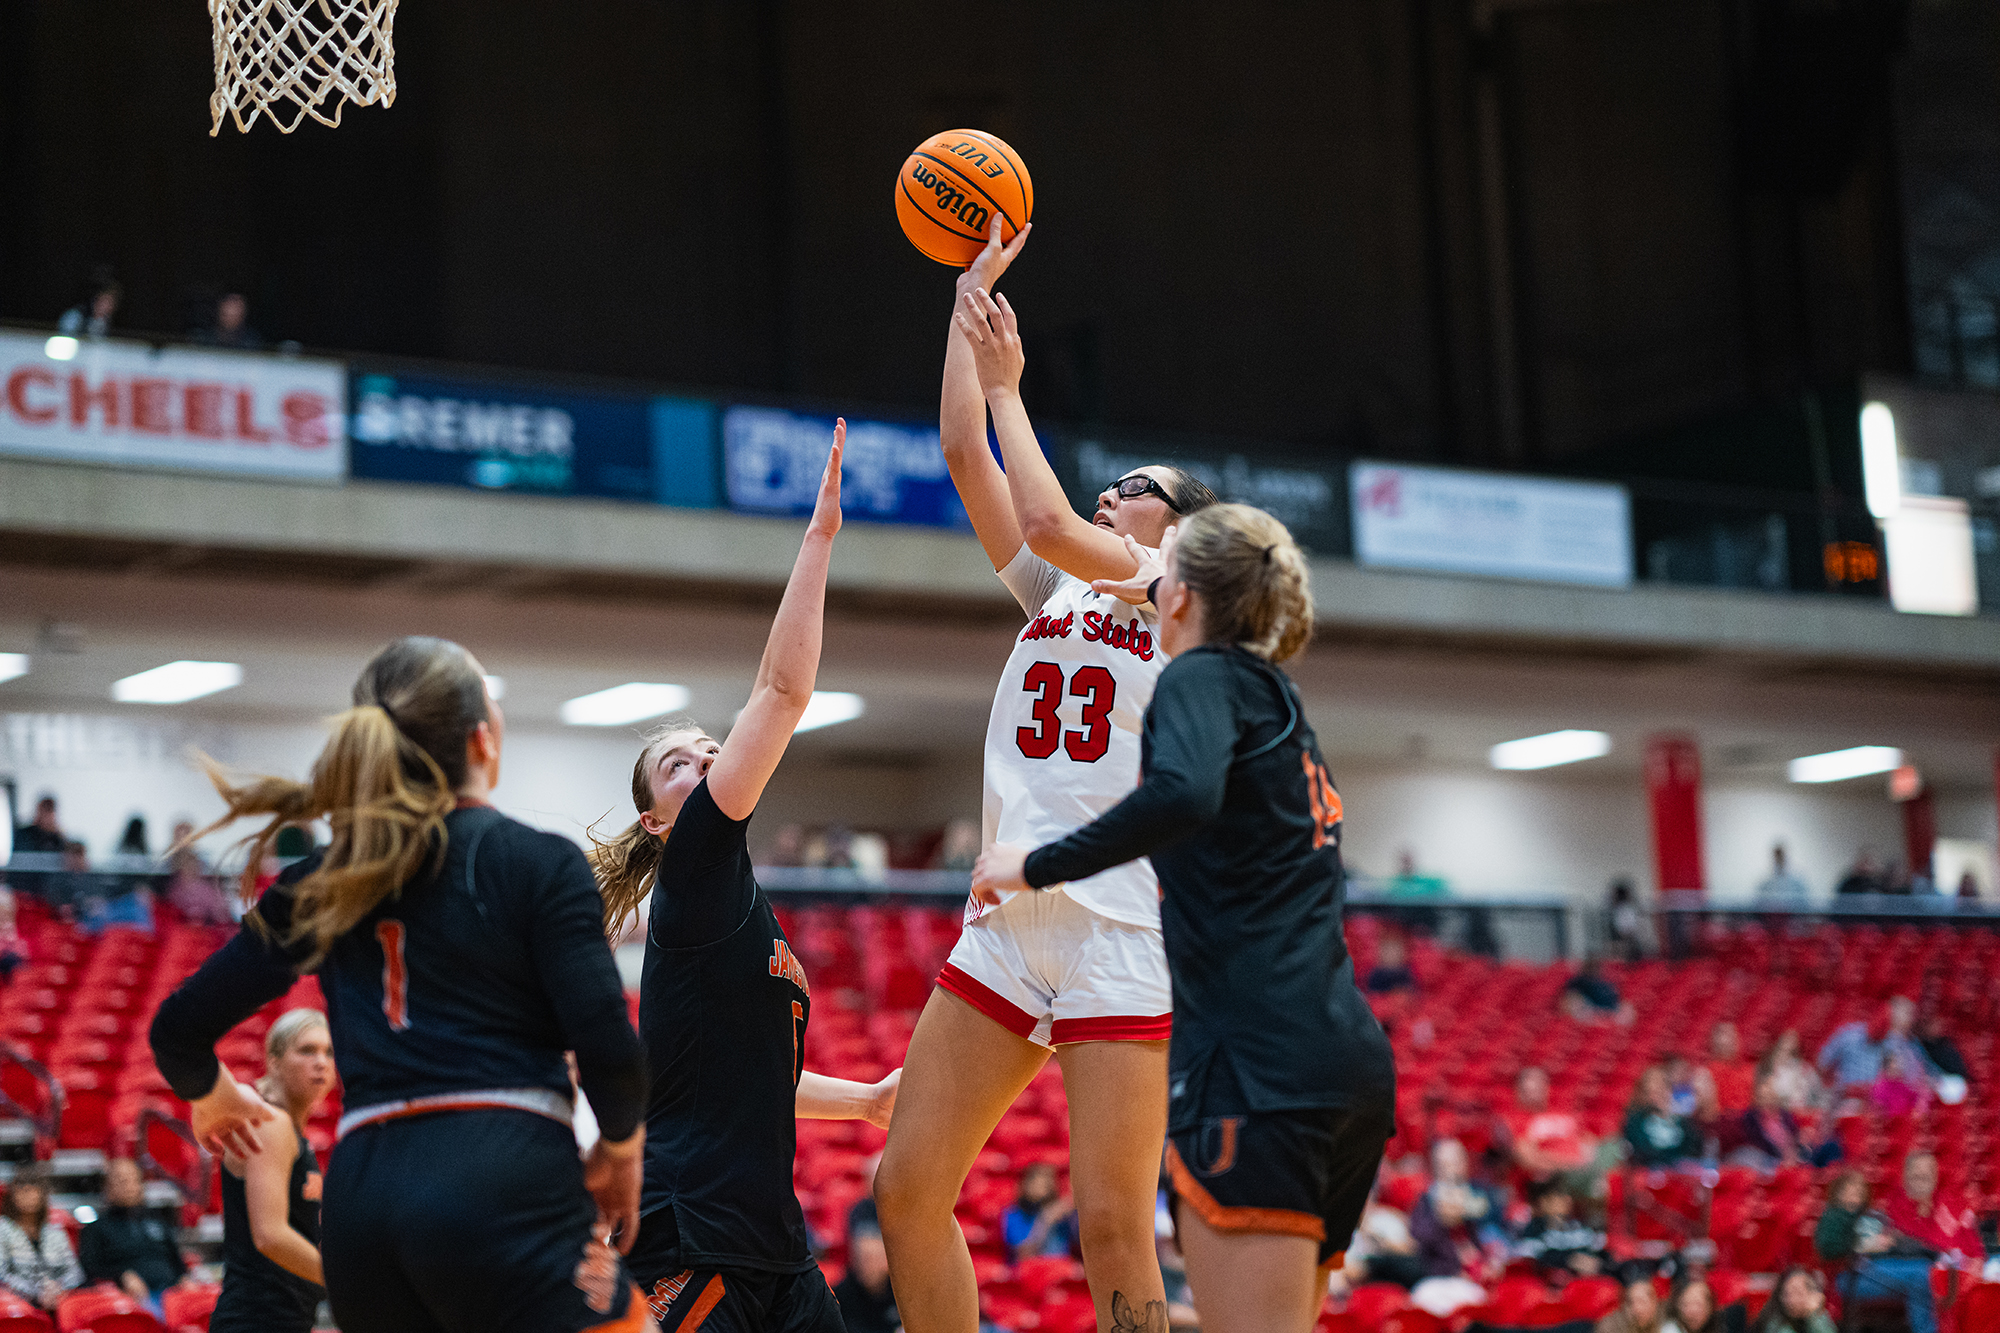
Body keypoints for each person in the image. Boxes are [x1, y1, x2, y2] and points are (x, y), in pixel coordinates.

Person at [875, 216, 1221, 1333]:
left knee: (1113, 1228)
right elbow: (963, 454)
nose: (1113, 490)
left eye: (1135, 483)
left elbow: (1043, 511)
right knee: (907, 1188)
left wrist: (1013, 385)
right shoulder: (1058, 594)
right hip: (1009, 915)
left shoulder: (1174, 590)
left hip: (1120, 926)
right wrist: (966, 304)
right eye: (1110, 483)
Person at [970, 502, 1398, 1333]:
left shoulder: (1199, 677)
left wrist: (1035, 861)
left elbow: (1182, 793)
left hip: (1255, 1070)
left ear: (1178, 593)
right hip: (1346, 1064)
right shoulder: (1276, 697)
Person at [148, 635, 650, 1333]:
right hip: (499, 1172)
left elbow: (177, 1030)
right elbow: (610, 1047)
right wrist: (621, 1151)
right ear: (483, 739)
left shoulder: (327, 875)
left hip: (362, 1205)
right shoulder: (537, 861)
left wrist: (215, 1098)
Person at [589, 422, 901, 1332]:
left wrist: (868, 1101)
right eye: (678, 763)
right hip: (691, 1237)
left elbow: (749, 1078)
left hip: (772, 1241)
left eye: (705, 749)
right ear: (658, 819)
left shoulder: (733, 905)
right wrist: (820, 539)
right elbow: (780, 691)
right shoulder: (692, 867)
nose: (704, 757)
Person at [211, 1008, 335, 1333]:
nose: (321, 1061)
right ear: (275, 1061)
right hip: (255, 1321)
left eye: (329, 1052)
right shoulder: (272, 1123)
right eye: (307, 1050)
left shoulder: (290, 1129)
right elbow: (270, 1235)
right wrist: (343, 1279)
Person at [1814, 1169, 1937, 1333]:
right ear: (1838, 1193)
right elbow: (1828, 1250)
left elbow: (1879, 1247)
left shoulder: (1869, 1216)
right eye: (1849, 1189)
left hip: (1871, 1268)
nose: (1855, 1193)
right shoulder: (1834, 1216)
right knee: (1919, 1275)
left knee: (1924, 1267)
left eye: (1859, 1190)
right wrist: (1862, 1244)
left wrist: (1889, 1243)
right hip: (1849, 1276)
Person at [78, 1157, 185, 1314]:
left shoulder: (157, 1221)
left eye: (132, 1180)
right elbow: (90, 1270)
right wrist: (121, 1276)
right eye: (121, 1180)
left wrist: (185, 1279)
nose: (127, 1186)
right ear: (107, 1188)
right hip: (125, 1300)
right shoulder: (96, 1229)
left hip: (171, 1295)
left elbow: (178, 1263)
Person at [1816, 996, 1940, 1112]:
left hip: (1878, 1100)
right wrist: (1835, 1085)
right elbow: (1823, 1062)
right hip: (1847, 1097)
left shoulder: (1892, 1042)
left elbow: (1905, 1076)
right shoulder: (1848, 1035)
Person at [1498, 1066, 1602, 1185]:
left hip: (1579, 1176)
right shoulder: (1515, 1119)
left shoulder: (1563, 1113)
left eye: (1538, 1087)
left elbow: (1587, 1140)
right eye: (1528, 1090)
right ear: (1518, 1091)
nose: (1534, 1094)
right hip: (1545, 1183)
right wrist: (1567, 1167)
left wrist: (1585, 1162)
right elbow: (1525, 1158)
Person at [0, 1164, 83, 1313]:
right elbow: (2, 1275)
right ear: (12, 1196)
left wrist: (59, 1289)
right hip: (17, 1305)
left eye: (33, 1190)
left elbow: (75, 1272)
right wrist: (36, 1293)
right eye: (22, 1191)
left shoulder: (55, 1230)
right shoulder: (3, 1228)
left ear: (42, 1194)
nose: (28, 1195)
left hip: (58, 1301)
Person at [1880, 1150, 1982, 1267]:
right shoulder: (1895, 1205)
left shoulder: (1954, 1208)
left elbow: (1976, 1254)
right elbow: (1891, 1241)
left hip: (1952, 1271)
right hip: (1911, 1268)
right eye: (1915, 1177)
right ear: (1905, 1178)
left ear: (1935, 1178)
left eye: (1925, 1177)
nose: (1920, 1183)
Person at [1734, 1073, 1841, 1170]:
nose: (1766, 1098)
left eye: (1769, 1093)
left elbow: (1794, 1132)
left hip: (1795, 1153)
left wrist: (1799, 1140)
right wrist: (1783, 1153)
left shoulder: (1784, 1114)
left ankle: (1831, 1176)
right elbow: (1758, 1141)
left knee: (1831, 1145)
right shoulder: (1751, 1117)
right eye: (1762, 1095)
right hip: (1772, 1158)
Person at [1516, 1181, 1606, 1278]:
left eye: (1566, 1197)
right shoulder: (1534, 1229)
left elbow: (1595, 1250)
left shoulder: (1578, 1226)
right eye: (1559, 1197)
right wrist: (1569, 1260)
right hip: (1551, 1281)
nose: (1566, 1201)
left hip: (1585, 1279)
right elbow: (1533, 1259)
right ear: (1543, 1201)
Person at [1623, 1067, 1702, 1168]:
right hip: (1648, 1172)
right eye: (1652, 1092)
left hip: (1676, 1175)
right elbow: (1639, 1153)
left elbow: (1693, 1150)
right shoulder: (1636, 1121)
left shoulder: (1683, 1122)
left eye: (1661, 1089)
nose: (1658, 1096)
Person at [1002, 1164, 1078, 1261]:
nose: (1040, 1190)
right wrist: (1046, 1220)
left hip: (1059, 1268)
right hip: (1029, 1270)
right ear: (1025, 1185)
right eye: (1036, 1184)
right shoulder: (1013, 1215)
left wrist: (1075, 1209)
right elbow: (1023, 1254)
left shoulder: (1062, 1215)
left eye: (1046, 1185)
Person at [831, 1225, 899, 1333]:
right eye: (859, 1258)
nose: (865, 1265)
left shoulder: (900, 1294)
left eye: (870, 1259)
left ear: (886, 1261)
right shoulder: (838, 1298)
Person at [1757, 1030, 1827, 1114]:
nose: (1785, 1055)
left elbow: (1817, 1094)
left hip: (1801, 1112)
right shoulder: (1766, 1068)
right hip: (1777, 1113)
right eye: (1782, 1050)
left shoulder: (1806, 1069)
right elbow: (1762, 1095)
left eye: (1790, 1052)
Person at [1750, 1268, 1834, 1333]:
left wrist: (1814, 1315)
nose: (1791, 1299)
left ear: (1811, 1294)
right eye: (1786, 1294)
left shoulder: (1817, 1315)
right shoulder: (1775, 1323)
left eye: (1798, 1292)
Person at [1562, 956, 1635, 1026]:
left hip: (1611, 1011)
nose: (1593, 969)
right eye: (1591, 967)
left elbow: (1616, 998)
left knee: (1627, 1008)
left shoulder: (1605, 983)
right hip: (1589, 1011)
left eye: (1595, 967)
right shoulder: (1578, 982)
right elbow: (1569, 997)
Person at [1703, 1022, 1756, 1114]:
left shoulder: (1749, 1070)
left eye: (1733, 1036)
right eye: (1724, 1035)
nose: (1730, 1041)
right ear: (1714, 1041)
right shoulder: (1707, 1073)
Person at [192, 293, 265, 350]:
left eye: (235, 315)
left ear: (243, 316)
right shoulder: (204, 339)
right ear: (219, 313)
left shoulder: (252, 342)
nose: (230, 320)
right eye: (226, 315)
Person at [1596, 1277, 1666, 1333]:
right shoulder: (1609, 1327)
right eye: (1630, 1303)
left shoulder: (1667, 1327)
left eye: (1641, 1301)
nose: (1636, 1308)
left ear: (1653, 1303)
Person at [1605, 880, 1644, 961]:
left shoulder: (1626, 908)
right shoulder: (1620, 908)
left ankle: (1632, 957)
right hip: (1624, 933)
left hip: (1628, 932)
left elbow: (1629, 925)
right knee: (1624, 944)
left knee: (1629, 944)